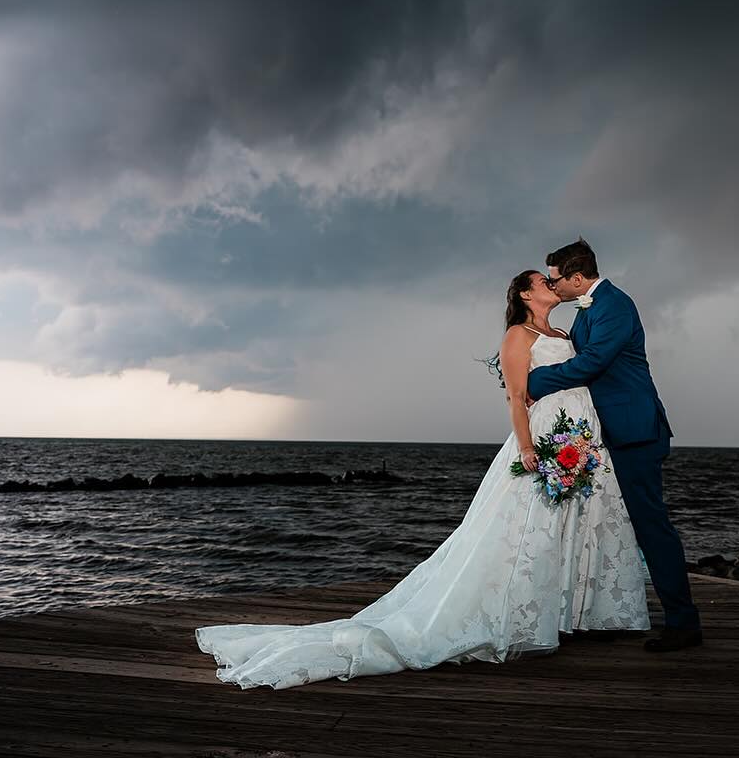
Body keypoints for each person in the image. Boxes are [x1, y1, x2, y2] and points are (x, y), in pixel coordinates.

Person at [193, 269, 649, 689]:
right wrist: (527, 446)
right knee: (526, 529)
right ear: (526, 294)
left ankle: (561, 613)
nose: (552, 285)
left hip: (578, 435)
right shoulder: (517, 334)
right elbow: (515, 396)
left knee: (565, 526)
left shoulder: (564, 332)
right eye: (541, 281)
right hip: (543, 436)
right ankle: (509, 617)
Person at [527, 238, 704, 652]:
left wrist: (533, 383)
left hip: (635, 431)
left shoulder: (614, 305)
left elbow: (591, 364)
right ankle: (595, 611)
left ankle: (683, 623)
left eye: (556, 281)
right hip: (609, 433)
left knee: (651, 525)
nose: (553, 288)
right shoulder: (591, 308)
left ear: (576, 278)